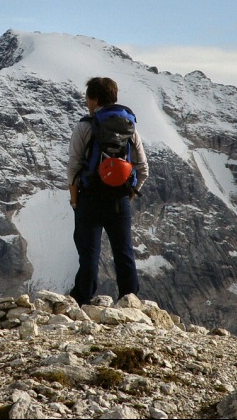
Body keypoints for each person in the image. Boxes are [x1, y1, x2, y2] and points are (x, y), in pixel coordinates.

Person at [67, 77, 149, 306]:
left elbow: (74, 166)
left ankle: (82, 300)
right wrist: (130, 194)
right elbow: (143, 169)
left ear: (93, 99)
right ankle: (130, 300)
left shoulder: (85, 126)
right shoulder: (129, 127)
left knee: (89, 254)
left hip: (90, 198)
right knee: (123, 252)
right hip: (119, 199)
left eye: (87, 98)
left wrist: (75, 200)